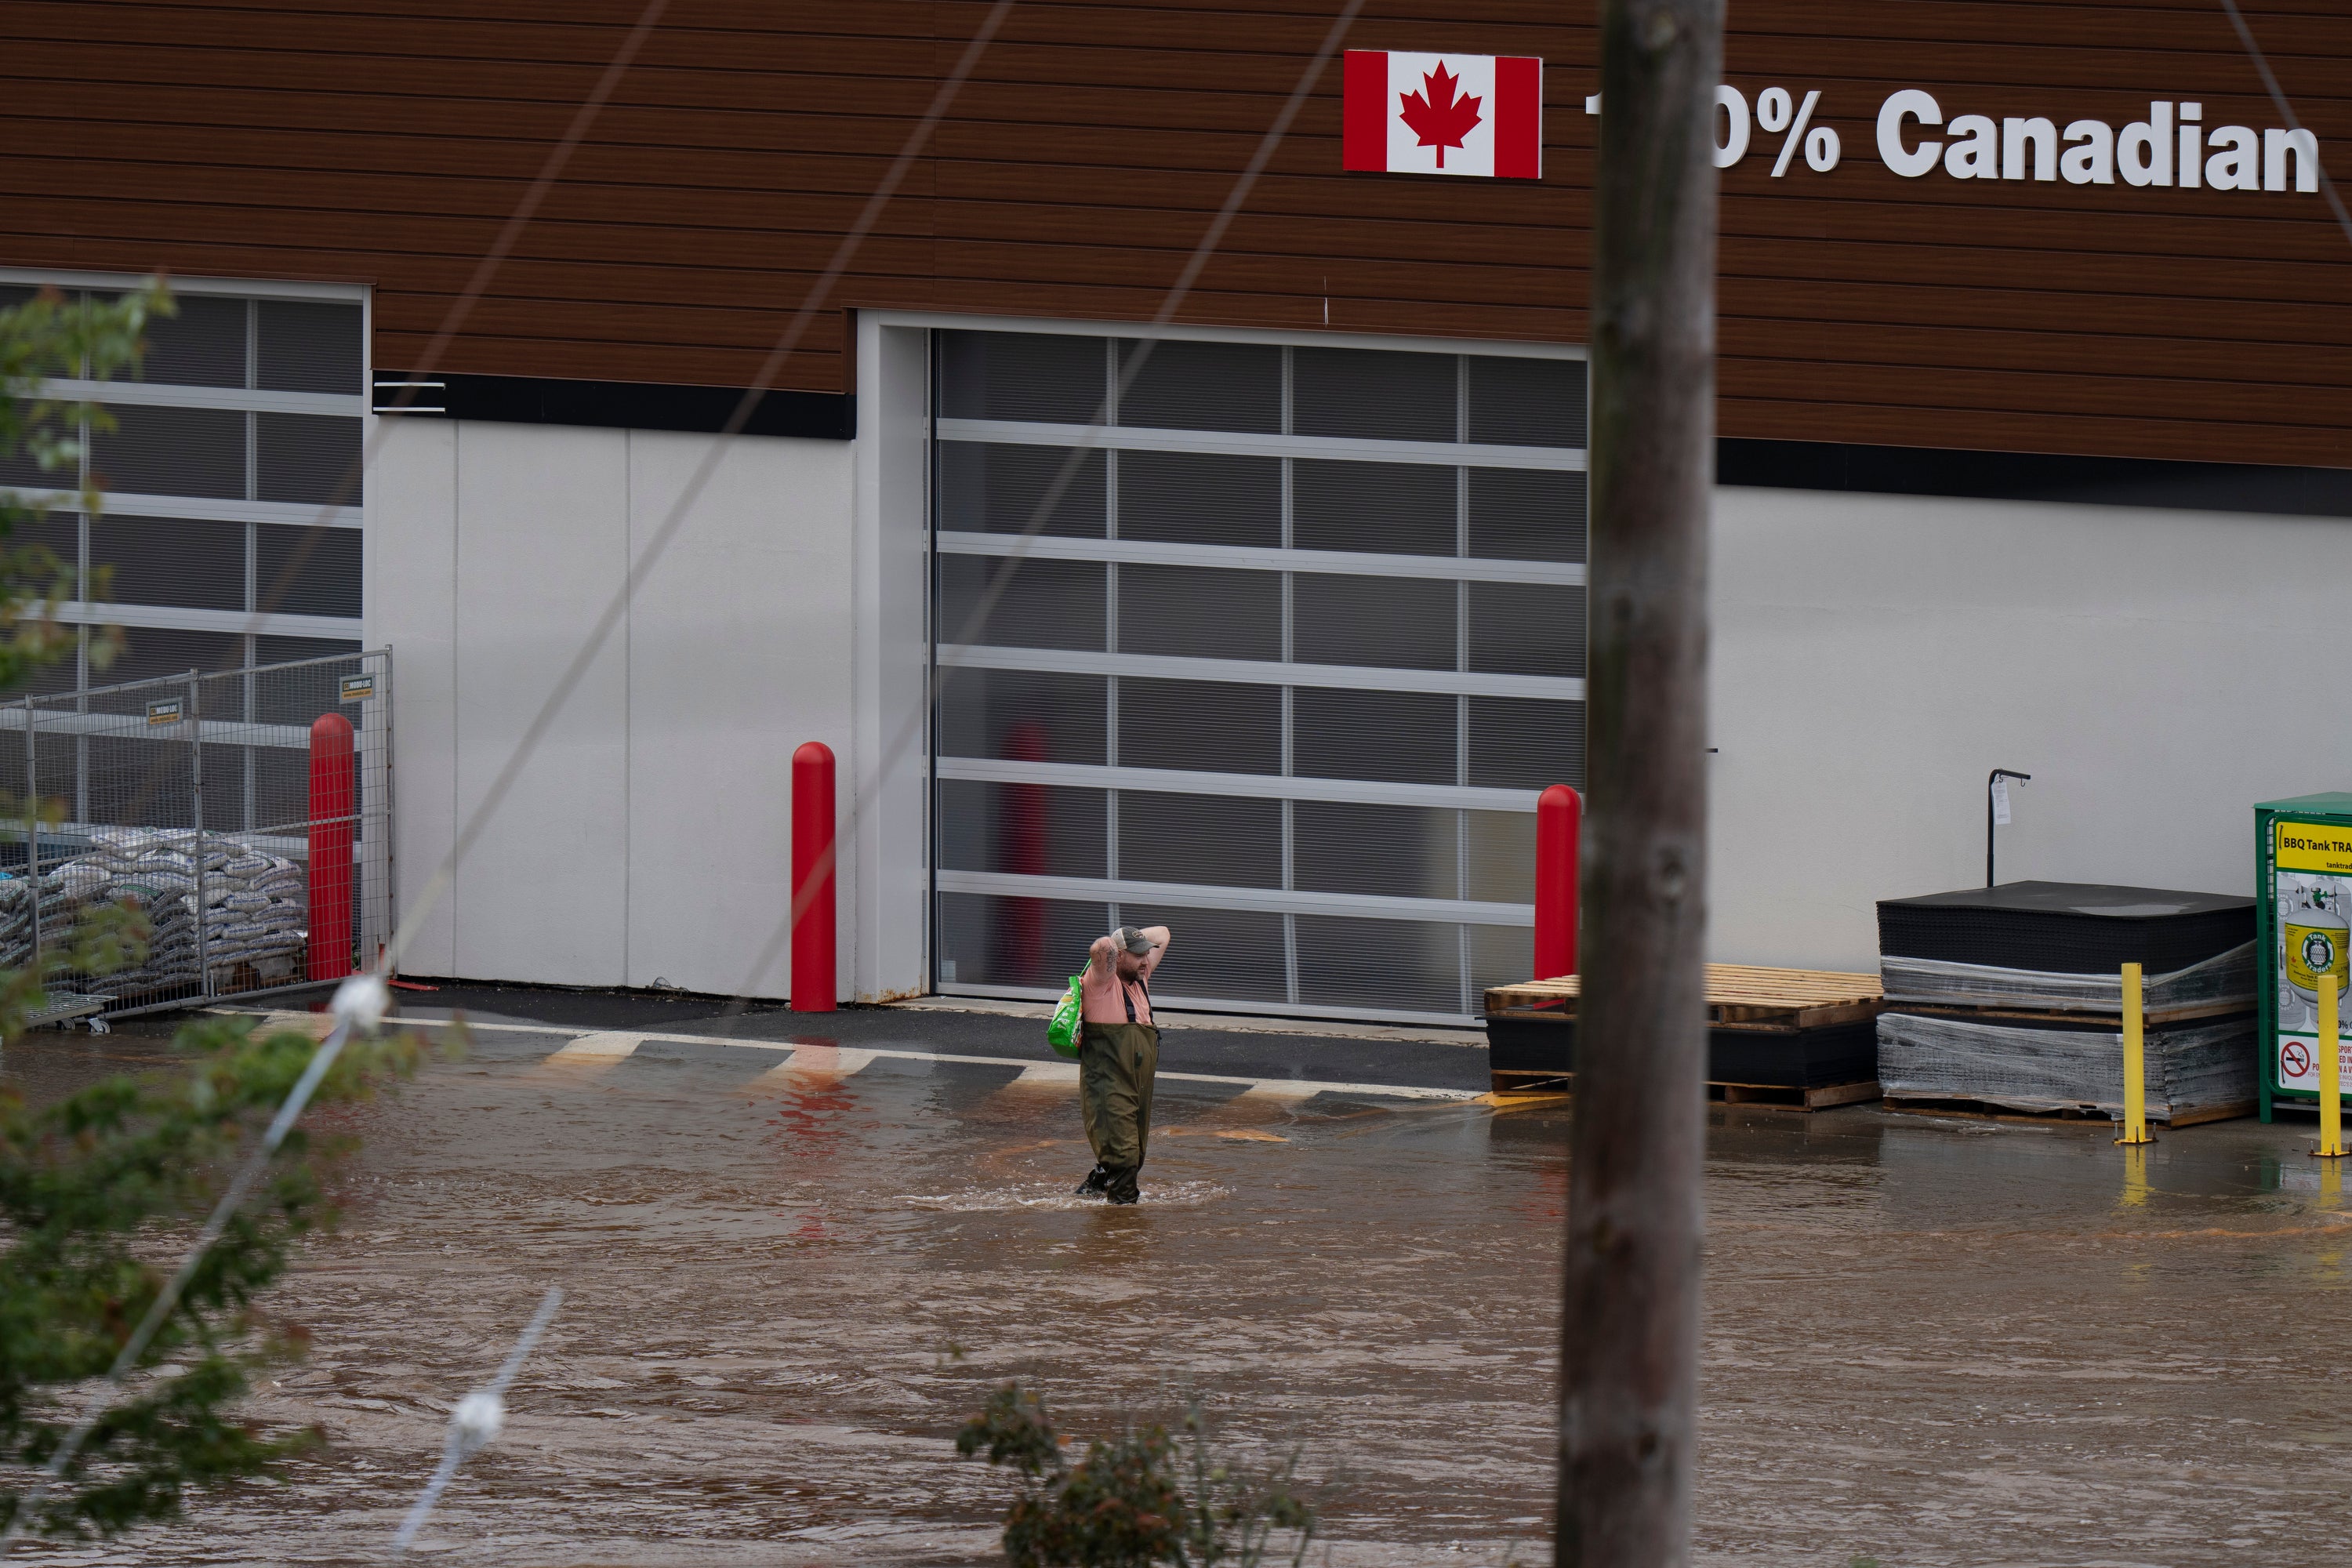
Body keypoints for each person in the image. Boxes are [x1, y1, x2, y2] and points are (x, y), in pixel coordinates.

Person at [1073, 923, 1171, 1204]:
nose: (1146, 961)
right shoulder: (1100, 981)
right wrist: (1117, 944)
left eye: (1146, 954)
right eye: (1138, 955)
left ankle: (1091, 1193)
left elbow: (1163, 933)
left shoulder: (1141, 978)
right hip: (1108, 1084)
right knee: (1125, 1159)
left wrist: (1134, 941)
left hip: (1136, 1085)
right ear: (1119, 956)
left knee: (1134, 1156)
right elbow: (1101, 947)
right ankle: (1122, 1222)